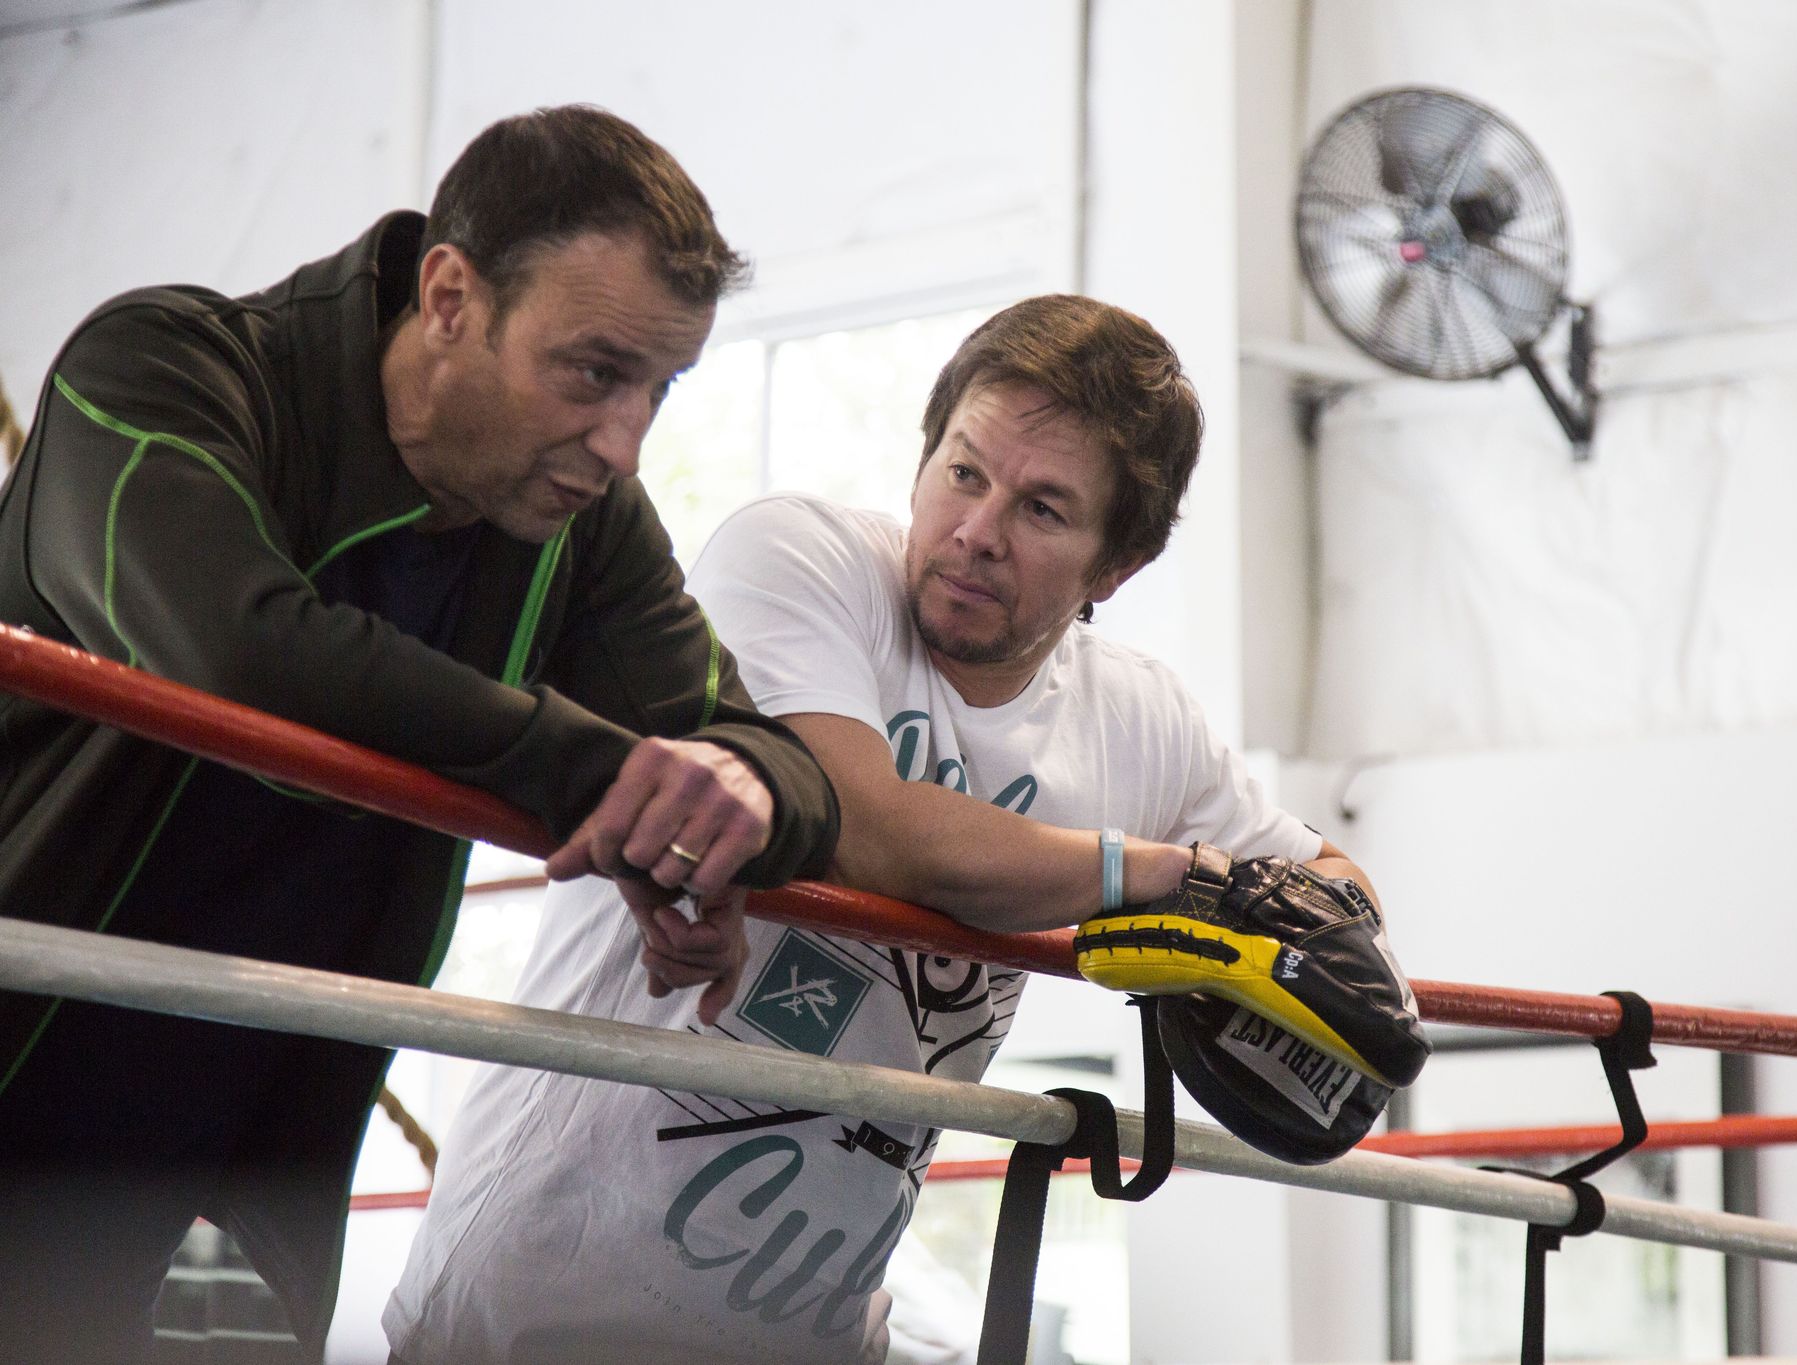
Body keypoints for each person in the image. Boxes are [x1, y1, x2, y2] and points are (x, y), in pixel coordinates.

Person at [385, 295, 1400, 1364]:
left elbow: (1340, 899)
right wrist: (1158, 877)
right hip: (530, 1302)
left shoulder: (1139, 725)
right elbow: (867, 829)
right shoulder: (802, 562)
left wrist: (1224, 955)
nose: (976, 533)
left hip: (813, 1331)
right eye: (963, 474)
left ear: (1115, 569)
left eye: (1042, 510)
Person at [0, 105, 838, 1361]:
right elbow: (233, 654)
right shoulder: (164, 370)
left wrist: (728, 805)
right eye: (594, 371)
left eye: (660, 389)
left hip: (239, 1171)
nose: (623, 442)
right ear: (449, 294)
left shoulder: (575, 521)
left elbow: (756, 756)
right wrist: (606, 779)